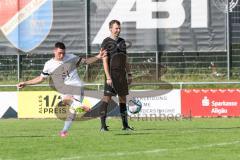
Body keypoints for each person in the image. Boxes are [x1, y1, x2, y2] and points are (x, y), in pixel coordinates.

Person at [17, 42, 107, 137]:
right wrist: (26, 83)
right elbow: (40, 79)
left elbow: (86, 62)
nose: (62, 55)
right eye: (60, 53)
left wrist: (98, 56)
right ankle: (66, 128)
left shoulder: (71, 58)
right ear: (54, 51)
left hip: (77, 86)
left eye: (63, 53)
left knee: (70, 106)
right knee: (69, 106)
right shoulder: (49, 64)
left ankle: (69, 120)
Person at [99, 20, 133, 131]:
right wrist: (108, 77)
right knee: (107, 98)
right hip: (111, 75)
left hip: (121, 76)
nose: (118, 30)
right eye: (116, 28)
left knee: (123, 98)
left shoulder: (122, 42)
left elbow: (125, 59)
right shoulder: (106, 42)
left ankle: (125, 125)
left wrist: (129, 73)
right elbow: (104, 60)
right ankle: (103, 126)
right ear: (110, 29)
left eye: (119, 28)